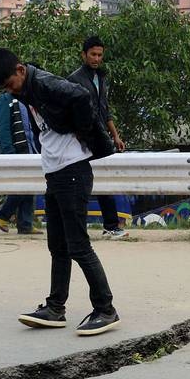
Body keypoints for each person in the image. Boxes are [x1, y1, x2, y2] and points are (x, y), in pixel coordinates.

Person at [0, 48, 120, 336]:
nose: (9, 92)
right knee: (57, 247)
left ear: (20, 70)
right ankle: (55, 308)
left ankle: (106, 309)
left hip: (73, 171)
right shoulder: (27, 92)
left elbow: (82, 97)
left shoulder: (43, 83)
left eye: (10, 84)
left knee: (78, 246)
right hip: (56, 173)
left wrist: (83, 132)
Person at [67, 35, 128, 239]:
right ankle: (101, 226)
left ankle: (110, 225)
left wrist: (115, 135)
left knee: (103, 180)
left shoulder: (100, 77)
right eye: (93, 54)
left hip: (100, 138)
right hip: (84, 141)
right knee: (84, 184)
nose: (96, 58)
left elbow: (105, 110)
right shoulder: (75, 79)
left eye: (100, 55)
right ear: (84, 55)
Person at [0, 90, 38, 234]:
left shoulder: (26, 98)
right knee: (22, 188)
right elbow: (4, 128)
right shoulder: (5, 99)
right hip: (15, 150)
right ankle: (3, 214)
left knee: (30, 187)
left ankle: (26, 224)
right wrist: (8, 153)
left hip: (29, 148)